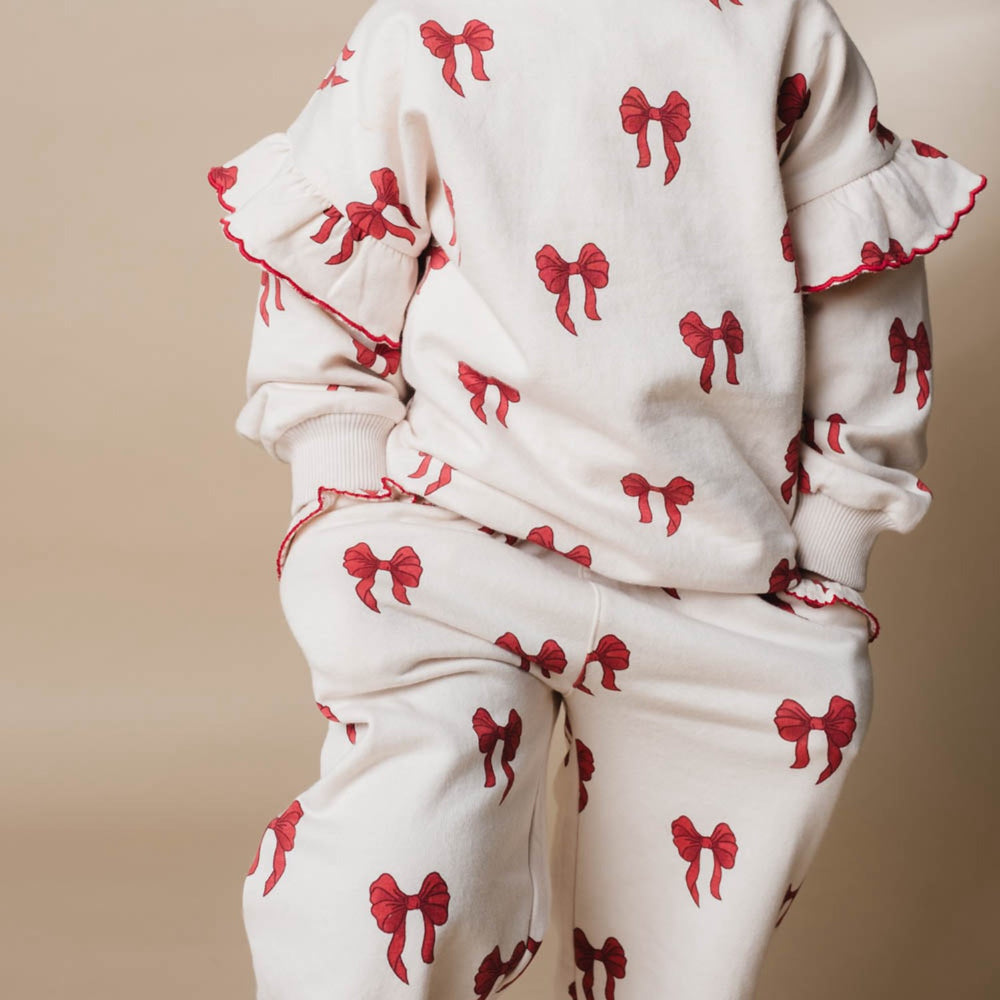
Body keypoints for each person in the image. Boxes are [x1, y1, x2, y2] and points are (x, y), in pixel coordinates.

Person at [206, 1, 987, 996]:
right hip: (453, 538)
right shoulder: (421, 25)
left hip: (721, 579)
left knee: (684, 951)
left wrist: (834, 539)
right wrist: (340, 489)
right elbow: (332, 252)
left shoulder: (782, 25)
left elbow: (862, 286)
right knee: (392, 870)